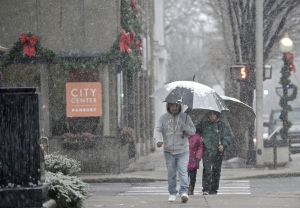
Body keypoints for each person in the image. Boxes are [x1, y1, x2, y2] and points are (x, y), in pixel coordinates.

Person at [154, 102, 196, 203]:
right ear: (168, 106)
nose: (174, 107)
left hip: (183, 150)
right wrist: (158, 140)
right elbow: (157, 130)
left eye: (176, 105)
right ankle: (172, 193)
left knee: (183, 171)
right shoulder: (163, 118)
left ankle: (184, 192)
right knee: (171, 173)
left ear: (180, 106)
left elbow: (193, 131)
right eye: (172, 105)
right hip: (168, 151)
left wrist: (186, 127)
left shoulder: (185, 117)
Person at [196, 111, 232, 195]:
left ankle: (214, 189)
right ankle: (206, 189)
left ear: (217, 115)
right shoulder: (203, 125)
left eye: (214, 115)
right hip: (207, 151)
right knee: (207, 170)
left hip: (218, 152)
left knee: (216, 171)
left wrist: (223, 145)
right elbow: (194, 130)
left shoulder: (222, 126)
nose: (212, 116)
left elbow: (227, 137)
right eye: (210, 114)